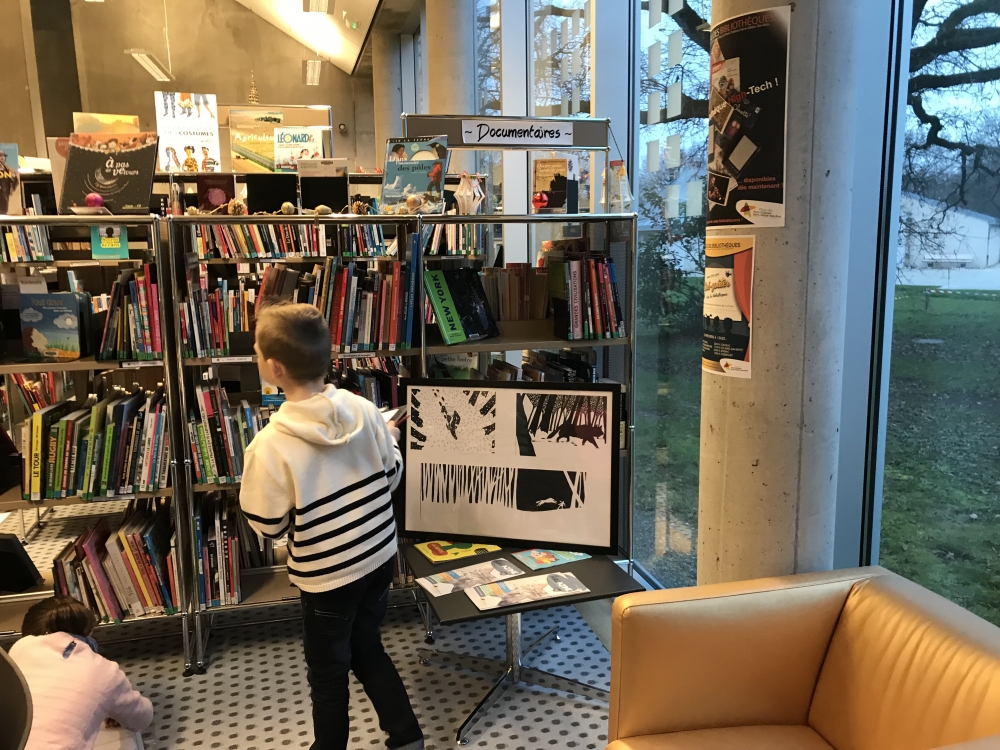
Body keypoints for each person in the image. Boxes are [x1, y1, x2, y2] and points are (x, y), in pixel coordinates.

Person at [240, 301, 423, 750]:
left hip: (327, 578)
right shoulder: (364, 409)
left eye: (257, 352)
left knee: (327, 672)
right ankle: (406, 736)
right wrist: (391, 442)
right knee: (368, 646)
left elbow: (268, 525)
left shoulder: (269, 445)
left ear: (274, 368)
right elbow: (392, 475)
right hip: (378, 558)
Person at [8, 597, 153, 750]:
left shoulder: (18, 649)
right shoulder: (105, 671)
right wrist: (114, 705)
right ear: (89, 633)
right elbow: (142, 718)